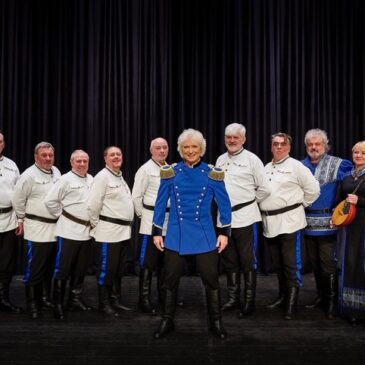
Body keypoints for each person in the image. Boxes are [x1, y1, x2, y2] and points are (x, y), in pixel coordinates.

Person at [152, 128, 231, 339]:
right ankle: (167, 321)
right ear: (180, 150)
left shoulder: (213, 173)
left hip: (204, 234)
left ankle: (216, 322)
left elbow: (224, 205)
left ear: (201, 149)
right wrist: (157, 231)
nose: (190, 151)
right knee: (169, 280)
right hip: (176, 234)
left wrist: (224, 233)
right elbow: (160, 204)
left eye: (194, 146)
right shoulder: (171, 172)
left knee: (211, 280)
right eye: (186, 147)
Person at [259, 133, 320, 320]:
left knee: (290, 265)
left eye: (282, 144)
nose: (278, 147)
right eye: (275, 144)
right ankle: (283, 297)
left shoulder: (296, 166)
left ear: (288, 147)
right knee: (277, 265)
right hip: (270, 223)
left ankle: (291, 306)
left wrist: (300, 206)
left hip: (290, 222)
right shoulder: (265, 167)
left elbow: (314, 189)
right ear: (271, 147)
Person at [216, 123, 270, 317]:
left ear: (243, 139)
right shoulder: (220, 160)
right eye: (228, 137)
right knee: (229, 261)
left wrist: (247, 204)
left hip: (246, 218)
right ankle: (233, 299)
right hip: (224, 220)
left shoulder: (252, 160)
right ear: (224, 139)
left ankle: (249, 302)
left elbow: (264, 189)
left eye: (235, 137)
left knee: (248, 261)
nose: (231, 140)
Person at [302, 129, 352, 319]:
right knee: (315, 263)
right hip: (307, 223)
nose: (314, 147)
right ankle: (321, 297)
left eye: (318, 144)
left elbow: (357, 175)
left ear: (325, 145)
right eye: (310, 144)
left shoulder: (338, 164)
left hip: (329, 223)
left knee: (328, 264)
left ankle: (331, 302)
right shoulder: (300, 166)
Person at [12, 141, 61, 319]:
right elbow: (17, 199)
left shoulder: (56, 172)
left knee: (49, 267)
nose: (48, 159)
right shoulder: (28, 175)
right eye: (44, 155)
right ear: (36, 157)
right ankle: (32, 304)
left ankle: (44, 298)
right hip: (37, 228)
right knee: (35, 268)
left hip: (55, 228)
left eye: (50, 155)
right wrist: (20, 219)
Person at [44, 150, 94, 320]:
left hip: (87, 233)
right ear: (71, 162)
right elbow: (50, 201)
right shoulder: (64, 179)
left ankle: (74, 300)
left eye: (85, 161)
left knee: (80, 269)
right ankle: (57, 304)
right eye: (78, 161)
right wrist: (63, 215)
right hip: (68, 231)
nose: (82, 164)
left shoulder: (91, 179)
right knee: (62, 269)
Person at [87, 146, 134, 318]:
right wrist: (96, 225)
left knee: (118, 269)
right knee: (106, 269)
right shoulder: (102, 177)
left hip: (123, 232)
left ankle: (115, 300)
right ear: (105, 158)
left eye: (118, 154)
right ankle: (103, 303)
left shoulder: (119, 177)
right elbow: (92, 205)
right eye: (112, 155)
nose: (116, 157)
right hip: (108, 232)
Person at [132, 138, 169, 314]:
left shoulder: (170, 169)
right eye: (158, 148)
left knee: (165, 264)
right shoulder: (145, 170)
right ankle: (144, 300)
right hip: (150, 222)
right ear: (151, 150)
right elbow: (136, 197)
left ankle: (164, 298)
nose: (162, 151)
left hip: (169, 223)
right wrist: (144, 215)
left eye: (164, 148)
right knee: (148, 263)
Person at [335, 141, 365, 327]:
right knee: (350, 264)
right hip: (349, 227)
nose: (358, 155)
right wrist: (334, 216)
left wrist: (360, 200)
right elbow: (339, 200)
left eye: (362, 152)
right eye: (355, 152)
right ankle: (352, 309)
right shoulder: (346, 176)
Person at [0, 130, 23, 313]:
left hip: (8, 219)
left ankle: (3, 299)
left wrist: (20, 219)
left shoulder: (11, 165)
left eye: (0, 141)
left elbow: (18, 194)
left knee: (6, 262)